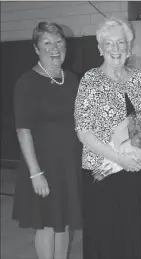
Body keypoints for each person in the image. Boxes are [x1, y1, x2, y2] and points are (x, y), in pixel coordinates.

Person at [74, 17, 141, 259]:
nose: (115, 49)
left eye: (120, 43)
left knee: (137, 234)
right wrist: (118, 159)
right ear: (99, 48)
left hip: (136, 171)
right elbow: (84, 131)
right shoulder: (90, 80)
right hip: (102, 173)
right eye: (108, 43)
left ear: (129, 47)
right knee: (105, 238)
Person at [12, 22, 82, 259]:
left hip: (68, 166)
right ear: (36, 48)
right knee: (46, 225)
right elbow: (23, 130)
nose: (54, 48)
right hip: (42, 167)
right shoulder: (26, 82)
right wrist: (35, 173)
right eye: (47, 43)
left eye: (59, 42)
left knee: (63, 223)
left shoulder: (72, 79)